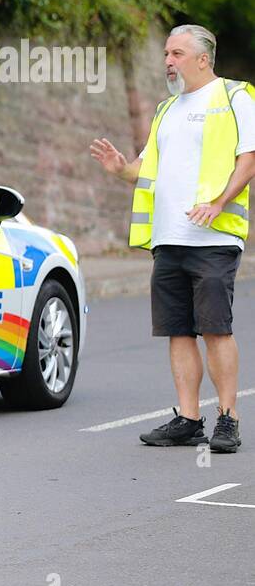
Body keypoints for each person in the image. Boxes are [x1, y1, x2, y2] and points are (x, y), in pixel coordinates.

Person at [91, 24, 255, 453]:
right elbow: (146, 170)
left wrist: (219, 203)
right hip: (167, 239)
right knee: (179, 331)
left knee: (215, 329)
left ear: (204, 59)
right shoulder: (167, 109)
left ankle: (228, 419)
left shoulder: (235, 97)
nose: (168, 61)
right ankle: (188, 418)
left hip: (213, 238)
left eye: (178, 53)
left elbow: (249, 158)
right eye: (166, 53)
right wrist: (120, 168)